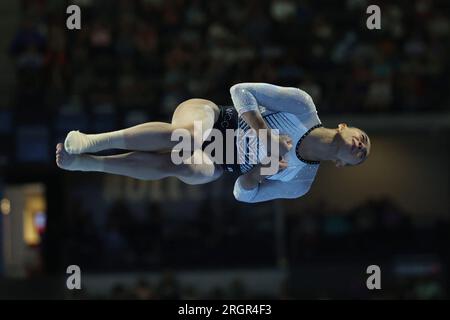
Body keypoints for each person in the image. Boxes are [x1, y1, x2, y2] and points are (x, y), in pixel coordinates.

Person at [56, 82, 371, 203]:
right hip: (212, 118)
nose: (362, 145)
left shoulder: (300, 181)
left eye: (362, 155)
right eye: (364, 139)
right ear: (344, 126)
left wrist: (262, 169)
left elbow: (242, 194)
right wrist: (263, 132)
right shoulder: (302, 106)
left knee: (184, 165)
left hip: (223, 162)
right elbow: (239, 91)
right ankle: (92, 142)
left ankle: (89, 164)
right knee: (187, 139)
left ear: (342, 164)